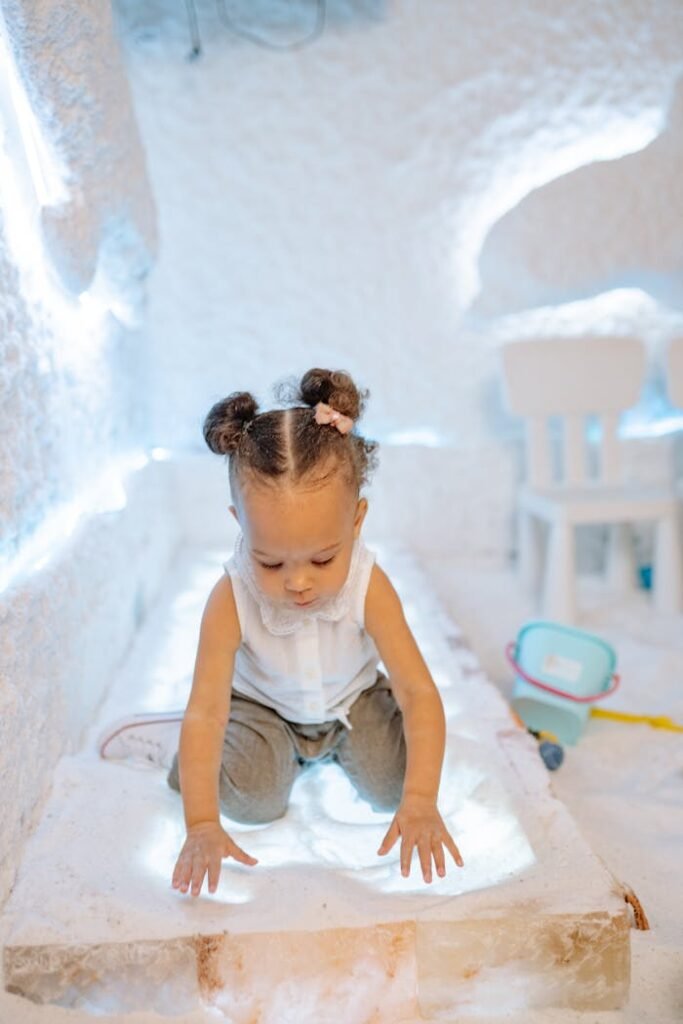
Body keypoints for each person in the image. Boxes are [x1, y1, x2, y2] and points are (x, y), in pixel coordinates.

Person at [100, 368, 463, 897]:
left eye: (322, 558)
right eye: (269, 562)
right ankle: (174, 749)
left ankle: (325, 756)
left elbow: (417, 691)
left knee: (396, 787)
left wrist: (422, 803)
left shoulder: (369, 584)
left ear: (356, 521)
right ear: (239, 524)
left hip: (351, 703)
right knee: (254, 803)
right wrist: (202, 825)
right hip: (262, 707)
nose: (298, 582)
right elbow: (208, 710)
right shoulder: (230, 598)